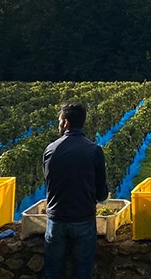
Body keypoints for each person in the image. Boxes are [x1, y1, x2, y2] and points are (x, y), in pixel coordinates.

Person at [43, 102, 108, 279]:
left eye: (60, 120)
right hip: (83, 220)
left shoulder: (51, 150)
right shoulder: (94, 150)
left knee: (52, 271)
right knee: (83, 272)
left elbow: (49, 183)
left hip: (56, 220)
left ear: (66, 123)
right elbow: (102, 193)